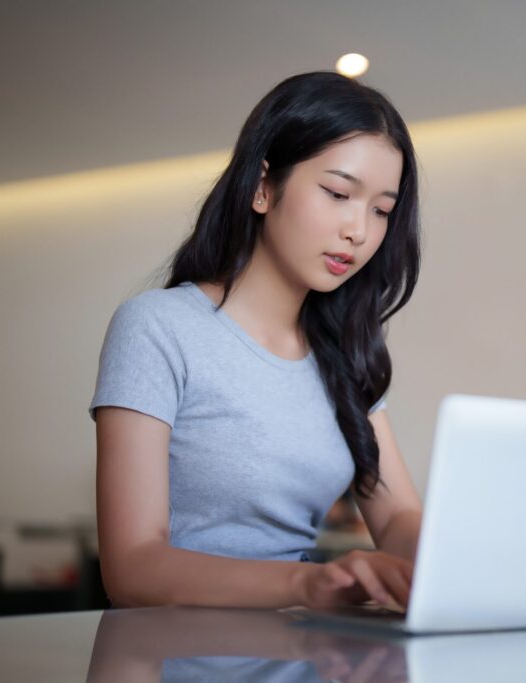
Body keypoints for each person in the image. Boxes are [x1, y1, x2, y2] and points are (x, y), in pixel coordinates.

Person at [90, 72, 422, 611]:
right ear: (262, 187)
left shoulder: (345, 356)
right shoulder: (158, 327)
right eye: (338, 194)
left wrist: (455, 556)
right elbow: (131, 566)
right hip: (178, 647)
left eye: (381, 210)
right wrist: (307, 584)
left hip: (300, 646)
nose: (359, 231)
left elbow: (399, 516)